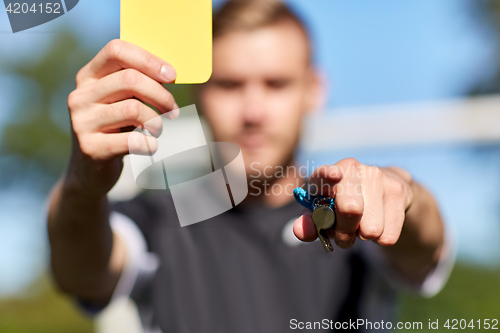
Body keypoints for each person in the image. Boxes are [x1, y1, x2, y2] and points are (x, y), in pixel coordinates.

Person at [47, 0, 455, 332]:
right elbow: (80, 272)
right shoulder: (156, 219)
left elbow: (425, 245)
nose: (254, 111)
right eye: (230, 84)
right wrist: (84, 182)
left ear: (314, 90)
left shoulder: (357, 211)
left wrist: (403, 193)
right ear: (198, 92)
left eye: (276, 84)